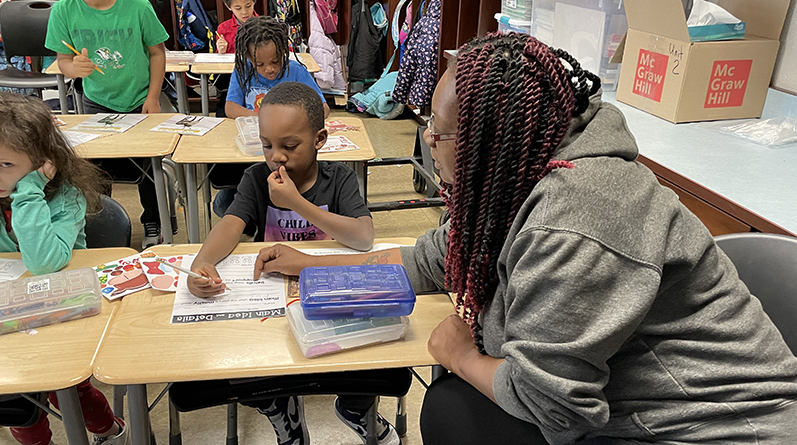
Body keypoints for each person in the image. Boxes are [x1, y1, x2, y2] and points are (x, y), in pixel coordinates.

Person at [251, 33, 797, 444]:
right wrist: (312, 267)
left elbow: (555, 407)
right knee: (452, 406)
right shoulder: (520, 172)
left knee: (453, 410)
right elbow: (428, 261)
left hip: (711, 428)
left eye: (436, 134)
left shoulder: (575, 218)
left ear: (486, 141)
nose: (429, 144)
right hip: (628, 400)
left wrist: (461, 355)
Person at [186, 82, 398, 445]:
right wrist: (203, 262)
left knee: (370, 355)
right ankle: (280, 410)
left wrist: (296, 202)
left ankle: (354, 406)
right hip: (275, 301)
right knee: (253, 361)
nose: (276, 157)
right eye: (267, 145)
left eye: (289, 146)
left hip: (331, 295)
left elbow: (363, 237)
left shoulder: (339, 179)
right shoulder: (255, 179)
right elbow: (230, 224)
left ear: (319, 139)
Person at [0, 93, 127, 445]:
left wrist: (28, 193)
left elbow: (43, 262)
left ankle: (110, 433)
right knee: (20, 400)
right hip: (10, 318)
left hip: (63, 312)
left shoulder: (64, 197)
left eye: (6, 165)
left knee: (70, 393)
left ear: (44, 163)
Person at [45, 0, 170, 248]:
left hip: (140, 98)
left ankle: (153, 221)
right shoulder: (63, 10)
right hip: (97, 102)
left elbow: (157, 53)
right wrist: (73, 68)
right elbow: (63, 59)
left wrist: (153, 96)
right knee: (96, 170)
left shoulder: (138, 6)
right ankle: (101, 222)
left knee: (149, 166)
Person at [214, 16, 330, 218]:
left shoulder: (294, 70)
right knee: (224, 206)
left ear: (284, 52)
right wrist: (263, 119)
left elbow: (323, 108)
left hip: (287, 154)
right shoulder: (243, 71)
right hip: (252, 152)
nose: (269, 69)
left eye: (276, 61)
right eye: (260, 64)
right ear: (249, 59)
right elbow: (231, 107)